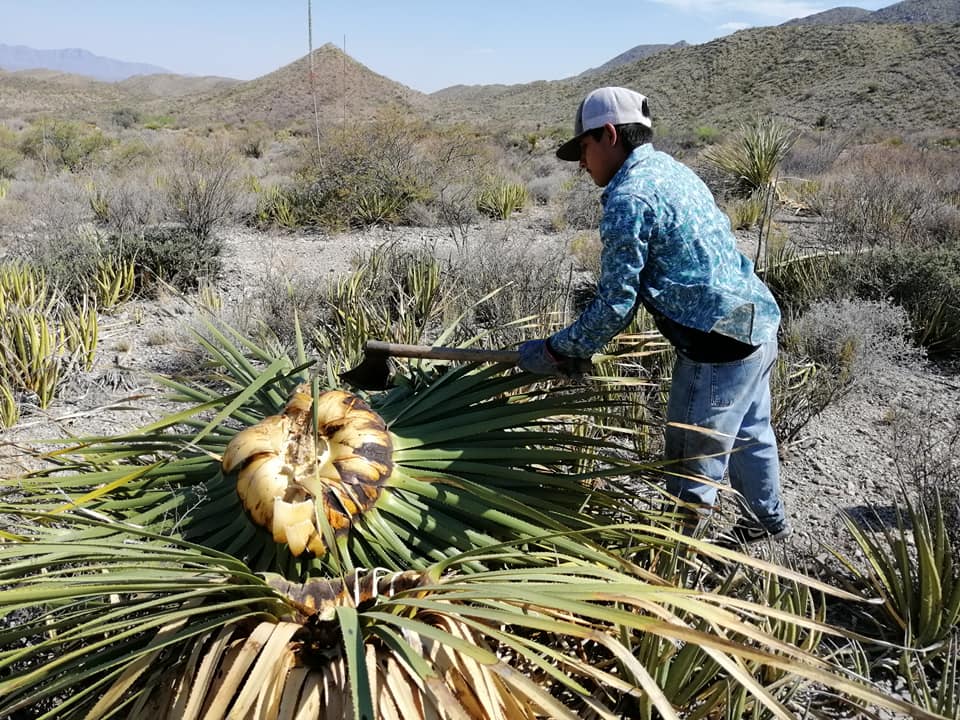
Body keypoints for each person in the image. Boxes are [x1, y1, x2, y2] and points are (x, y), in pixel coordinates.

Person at [517, 86, 790, 544]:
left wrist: (556, 350)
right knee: (751, 432)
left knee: (690, 460)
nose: (582, 164)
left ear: (607, 135)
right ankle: (766, 526)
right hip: (756, 323)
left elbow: (615, 304)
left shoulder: (631, 197)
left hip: (717, 347)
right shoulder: (672, 170)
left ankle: (673, 563)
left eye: (583, 149)